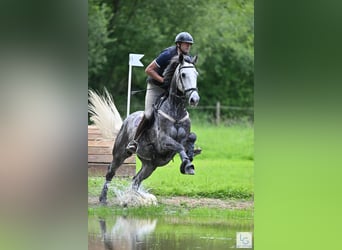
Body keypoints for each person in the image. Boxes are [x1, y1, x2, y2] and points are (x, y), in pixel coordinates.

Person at [126, 31, 194, 153]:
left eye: (190, 44)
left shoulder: (187, 58)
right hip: (156, 86)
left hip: (171, 90)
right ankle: (134, 142)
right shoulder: (167, 54)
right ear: (178, 44)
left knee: (181, 114)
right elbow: (149, 70)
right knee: (148, 114)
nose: (188, 46)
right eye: (186, 44)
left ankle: (187, 144)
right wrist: (163, 81)